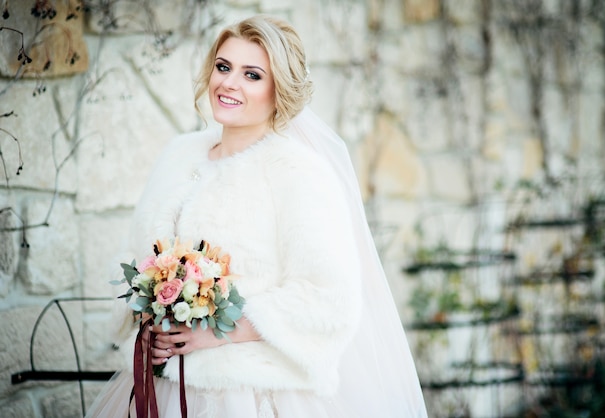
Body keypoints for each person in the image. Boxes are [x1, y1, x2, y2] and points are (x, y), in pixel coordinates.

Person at [87, 15, 428, 418]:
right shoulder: (177, 156)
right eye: (223, 67)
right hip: (158, 387)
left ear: (278, 89)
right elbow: (138, 261)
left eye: (252, 75)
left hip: (247, 395)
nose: (229, 83)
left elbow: (328, 298)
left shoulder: (297, 173)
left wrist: (212, 331)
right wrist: (152, 321)